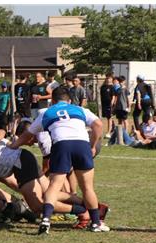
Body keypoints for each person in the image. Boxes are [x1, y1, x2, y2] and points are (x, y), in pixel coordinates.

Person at [10, 86, 109, 234]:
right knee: (87, 187)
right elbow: (99, 125)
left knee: (54, 185)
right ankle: (95, 223)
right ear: (69, 100)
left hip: (61, 145)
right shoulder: (80, 109)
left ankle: (46, 220)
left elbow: (27, 134)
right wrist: (93, 145)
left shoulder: (45, 112)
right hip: (81, 144)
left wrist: (14, 145)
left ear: (53, 100)